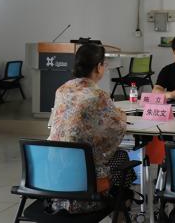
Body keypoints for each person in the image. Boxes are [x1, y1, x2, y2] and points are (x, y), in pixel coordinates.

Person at [48, 43, 130, 214]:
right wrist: (122, 116)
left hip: (55, 182)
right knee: (122, 157)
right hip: (86, 189)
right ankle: (120, 211)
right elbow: (117, 126)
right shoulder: (98, 95)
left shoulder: (62, 90)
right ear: (99, 67)